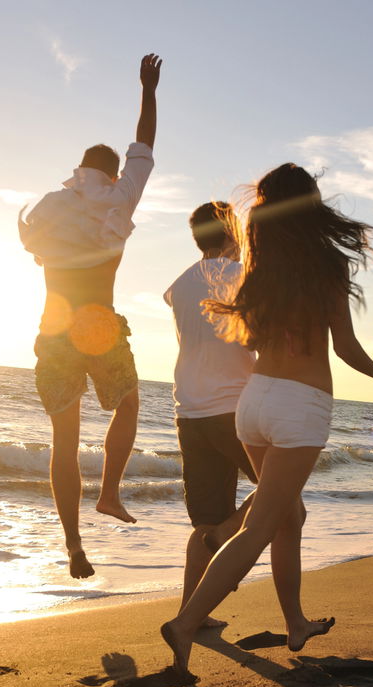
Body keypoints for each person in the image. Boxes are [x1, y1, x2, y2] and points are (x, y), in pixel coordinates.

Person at [160, 164, 373, 677]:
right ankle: (185, 622)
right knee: (257, 527)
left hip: (254, 402)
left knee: (287, 518)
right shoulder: (327, 263)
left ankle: (295, 623)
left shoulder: (256, 265)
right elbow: (343, 345)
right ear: (311, 204)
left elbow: (249, 340)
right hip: (301, 405)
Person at [17, 54, 162, 579]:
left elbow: (34, 248)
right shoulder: (119, 200)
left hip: (54, 329)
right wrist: (148, 89)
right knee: (127, 406)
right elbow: (144, 145)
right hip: (98, 325)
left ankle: (73, 543)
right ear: (113, 172)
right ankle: (109, 493)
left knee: (64, 442)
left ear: (79, 168)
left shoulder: (53, 207)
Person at [164, 201, 258, 627]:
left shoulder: (179, 284)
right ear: (231, 234)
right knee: (282, 492)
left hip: (189, 411)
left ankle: (191, 612)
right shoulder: (242, 278)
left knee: (204, 519)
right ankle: (225, 536)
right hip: (234, 407)